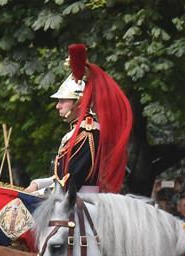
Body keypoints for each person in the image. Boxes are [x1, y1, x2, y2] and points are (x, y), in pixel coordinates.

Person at [25, 43, 131, 196]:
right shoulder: (77, 131)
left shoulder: (87, 132)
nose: (57, 106)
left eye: (63, 101)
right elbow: (60, 178)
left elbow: (72, 182)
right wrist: (37, 184)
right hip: (66, 199)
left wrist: (38, 193)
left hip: (80, 202)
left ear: (79, 103)